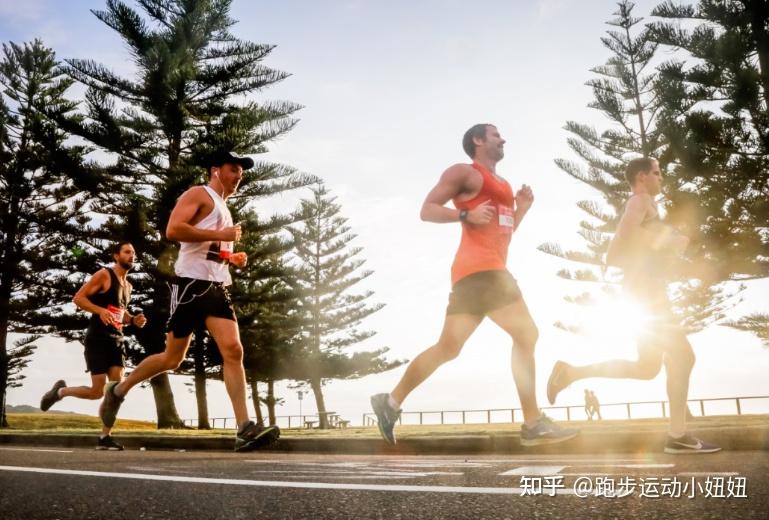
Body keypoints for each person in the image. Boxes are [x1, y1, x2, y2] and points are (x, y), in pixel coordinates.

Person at [370, 124, 578, 447]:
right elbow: (427, 210)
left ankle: (391, 402)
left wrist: (520, 210)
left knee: (448, 348)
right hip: (483, 272)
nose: (504, 138)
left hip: (479, 273)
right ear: (478, 141)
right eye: (496, 135)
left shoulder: (505, 186)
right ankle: (533, 423)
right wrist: (464, 215)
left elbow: (502, 237)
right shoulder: (464, 173)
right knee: (527, 334)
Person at [97, 150, 279, 452]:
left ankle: (244, 428)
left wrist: (230, 256)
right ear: (215, 170)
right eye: (233, 169)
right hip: (190, 287)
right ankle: (120, 389)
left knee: (233, 350)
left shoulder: (223, 206)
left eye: (241, 173)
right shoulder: (199, 193)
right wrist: (220, 232)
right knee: (172, 359)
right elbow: (174, 230)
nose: (238, 176)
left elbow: (207, 248)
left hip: (217, 288)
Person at [546, 157, 720, 454]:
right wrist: (671, 239)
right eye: (657, 172)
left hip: (643, 289)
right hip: (647, 292)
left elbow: (614, 254)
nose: (661, 177)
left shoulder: (642, 205)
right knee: (683, 356)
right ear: (642, 177)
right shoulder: (640, 200)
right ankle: (677, 435)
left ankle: (571, 372)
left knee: (647, 367)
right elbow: (627, 232)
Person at [40, 241, 146, 450]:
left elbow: (120, 313)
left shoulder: (128, 286)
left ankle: (104, 437)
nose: (131, 256)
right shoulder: (104, 275)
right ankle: (60, 392)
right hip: (98, 339)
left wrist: (133, 320)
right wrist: (99, 311)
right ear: (116, 255)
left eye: (133, 252)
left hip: (117, 340)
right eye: (127, 252)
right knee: (97, 392)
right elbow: (78, 298)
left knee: (115, 391)